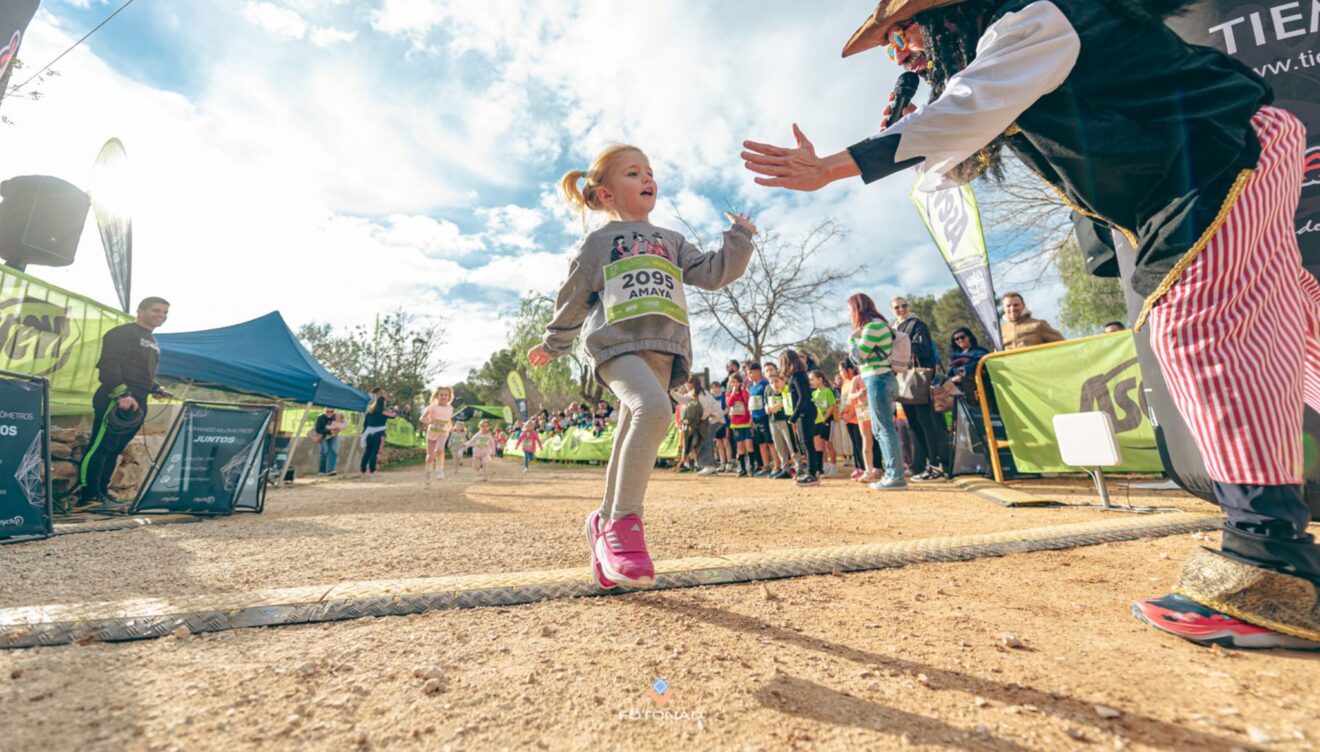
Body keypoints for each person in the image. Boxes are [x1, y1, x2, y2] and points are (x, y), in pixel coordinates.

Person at [742, 0, 1320, 649]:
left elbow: (960, 112)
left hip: (1217, 153)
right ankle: (1270, 548)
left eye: (901, 34)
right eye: (889, 46)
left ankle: (1269, 556)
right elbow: (955, 142)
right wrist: (910, 122)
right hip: (1229, 147)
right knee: (1295, 319)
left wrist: (833, 166)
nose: (900, 52)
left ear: (947, 14)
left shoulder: (1031, 20)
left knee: (1194, 329)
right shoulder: (1015, 53)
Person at [527, 143, 755, 590]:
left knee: (639, 416)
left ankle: (602, 522)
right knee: (654, 411)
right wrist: (555, 343)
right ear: (607, 195)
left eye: (649, 172)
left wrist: (740, 239)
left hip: (664, 349)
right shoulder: (598, 244)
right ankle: (624, 527)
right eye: (633, 173)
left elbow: (712, 273)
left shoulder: (672, 241)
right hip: (616, 346)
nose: (647, 179)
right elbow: (575, 297)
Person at [78, 296, 172, 510]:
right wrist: (122, 394)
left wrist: (155, 388)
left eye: (165, 312)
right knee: (100, 447)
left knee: (114, 449)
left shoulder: (153, 341)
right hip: (116, 398)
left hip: (138, 401)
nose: (161, 315)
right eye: (156, 310)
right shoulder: (122, 333)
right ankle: (88, 497)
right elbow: (109, 365)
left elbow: (140, 372)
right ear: (140, 311)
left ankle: (102, 493)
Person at [847, 293, 906, 491]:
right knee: (880, 429)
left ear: (858, 308)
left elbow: (859, 357)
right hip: (882, 379)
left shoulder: (872, 326)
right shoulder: (878, 325)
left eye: (850, 309)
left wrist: (851, 341)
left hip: (877, 379)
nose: (849, 314)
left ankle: (895, 476)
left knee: (884, 429)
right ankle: (891, 473)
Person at [890, 296, 947, 481]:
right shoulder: (893, 328)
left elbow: (922, 349)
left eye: (904, 305)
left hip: (918, 379)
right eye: (897, 307)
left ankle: (937, 465)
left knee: (926, 421)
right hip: (902, 380)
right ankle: (924, 465)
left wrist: (899, 347)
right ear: (892, 310)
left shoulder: (917, 324)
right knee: (913, 425)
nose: (901, 309)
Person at [781, 349, 821, 486]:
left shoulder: (798, 376)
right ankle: (812, 471)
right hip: (805, 411)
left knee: (807, 443)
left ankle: (812, 474)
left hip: (805, 412)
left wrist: (794, 416)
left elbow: (803, 397)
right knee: (805, 443)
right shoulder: (798, 375)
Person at [840, 359, 879, 482]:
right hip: (862, 410)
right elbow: (850, 397)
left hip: (876, 409)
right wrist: (858, 394)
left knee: (879, 438)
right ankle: (867, 470)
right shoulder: (856, 379)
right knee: (865, 440)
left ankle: (879, 467)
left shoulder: (877, 375)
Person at [1000, 292, 1065, 350]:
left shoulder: (1038, 325)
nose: (1012, 308)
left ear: (1023, 306)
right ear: (1004, 308)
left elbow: (1063, 345)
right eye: (1008, 306)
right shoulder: (1000, 332)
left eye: (1016, 305)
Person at [420, 386, 455, 480]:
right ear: (436, 396)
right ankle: (428, 471)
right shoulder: (432, 407)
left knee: (439, 449)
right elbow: (422, 418)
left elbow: (448, 419)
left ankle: (440, 469)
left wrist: (451, 427)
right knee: (430, 457)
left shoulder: (450, 408)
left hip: (443, 432)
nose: (443, 397)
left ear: (449, 397)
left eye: (446, 395)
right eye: (441, 395)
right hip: (432, 432)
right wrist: (430, 421)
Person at [765, 373, 796, 478]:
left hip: (784, 419)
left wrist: (778, 406)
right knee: (778, 445)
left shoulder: (785, 389)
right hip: (772, 420)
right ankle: (785, 468)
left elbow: (787, 399)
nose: (774, 384)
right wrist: (767, 408)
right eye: (771, 382)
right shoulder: (767, 389)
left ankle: (798, 467)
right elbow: (766, 402)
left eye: (776, 381)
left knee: (790, 443)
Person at [724, 372, 755, 477]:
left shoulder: (745, 392)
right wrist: (733, 393)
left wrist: (742, 391)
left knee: (749, 446)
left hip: (746, 422)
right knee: (740, 447)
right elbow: (729, 404)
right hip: (736, 423)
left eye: (737, 382)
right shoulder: (728, 394)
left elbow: (747, 402)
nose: (735, 384)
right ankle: (742, 468)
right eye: (733, 382)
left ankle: (751, 466)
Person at [746, 363, 774, 476]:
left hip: (765, 417)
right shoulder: (752, 387)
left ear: (757, 372)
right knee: (761, 443)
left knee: (770, 442)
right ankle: (766, 466)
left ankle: (776, 465)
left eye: (750, 372)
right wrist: (751, 419)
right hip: (755, 418)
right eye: (748, 373)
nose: (749, 375)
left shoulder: (765, 384)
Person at [359, 389, 395, 477]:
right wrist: (395, 410)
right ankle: (372, 470)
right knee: (374, 452)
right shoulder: (383, 412)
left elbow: (365, 424)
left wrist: (363, 433)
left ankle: (362, 470)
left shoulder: (369, 412)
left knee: (367, 452)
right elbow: (394, 416)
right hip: (378, 433)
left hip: (368, 433)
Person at [947, 327, 991, 398]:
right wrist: (954, 379)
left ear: (969, 337)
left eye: (962, 337)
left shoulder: (980, 352)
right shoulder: (954, 357)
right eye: (957, 339)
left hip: (982, 390)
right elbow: (949, 377)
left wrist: (967, 371)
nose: (960, 340)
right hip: (964, 394)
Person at [314, 407, 343, 476]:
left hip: (333, 436)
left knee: (334, 451)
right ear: (325, 411)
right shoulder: (320, 417)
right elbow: (318, 429)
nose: (329, 413)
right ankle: (322, 471)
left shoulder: (336, 417)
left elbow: (343, 424)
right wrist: (328, 431)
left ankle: (331, 470)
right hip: (323, 436)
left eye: (331, 411)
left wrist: (335, 430)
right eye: (328, 411)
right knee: (324, 451)